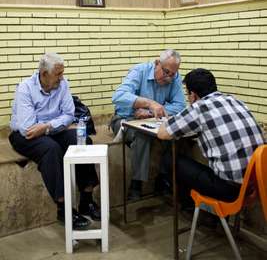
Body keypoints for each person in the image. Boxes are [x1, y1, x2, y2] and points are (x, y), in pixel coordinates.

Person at [9, 53, 101, 230]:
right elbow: (28, 128)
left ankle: (86, 201)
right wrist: (54, 125)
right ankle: (64, 208)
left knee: (82, 140)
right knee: (51, 149)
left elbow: (69, 115)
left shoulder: (63, 84)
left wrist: (48, 126)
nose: (62, 77)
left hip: (50, 129)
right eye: (58, 74)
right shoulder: (25, 89)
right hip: (24, 135)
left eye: (62, 73)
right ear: (44, 74)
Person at [157, 68, 265, 213]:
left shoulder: (199, 108)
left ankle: (189, 205)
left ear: (193, 95)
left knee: (169, 159)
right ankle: (209, 215)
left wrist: (166, 121)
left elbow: (163, 134)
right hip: (255, 183)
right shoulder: (234, 100)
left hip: (229, 189)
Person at [110, 49, 186, 200]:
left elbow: (180, 106)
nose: (169, 78)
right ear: (157, 63)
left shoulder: (174, 77)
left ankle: (162, 179)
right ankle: (136, 183)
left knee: (173, 134)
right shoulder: (140, 71)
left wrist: (150, 112)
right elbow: (118, 96)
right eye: (166, 72)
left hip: (152, 120)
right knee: (142, 134)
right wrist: (148, 103)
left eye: (173, 74)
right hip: (126, 119)